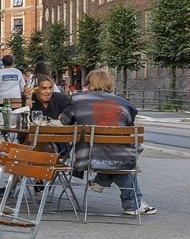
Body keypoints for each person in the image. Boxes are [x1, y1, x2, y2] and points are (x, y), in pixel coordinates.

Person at [59, 67, 156, 217]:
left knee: (111, 155)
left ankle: (103, 179)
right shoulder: (125, 104)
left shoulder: (77, 100)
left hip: (89, 156)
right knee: (120, 156)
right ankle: (129, 201)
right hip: (121, 155)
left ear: (89, 83)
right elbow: (128, 128)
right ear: (110, 84)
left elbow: (65, 122)